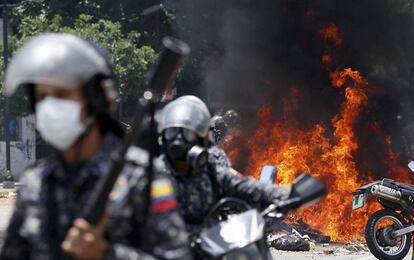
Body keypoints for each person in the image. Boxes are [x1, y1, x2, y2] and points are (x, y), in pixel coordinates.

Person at [0, 33, 191, 260]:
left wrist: (106, 254)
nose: (50, 106)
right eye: (42, 96)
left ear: (94, 99)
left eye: (62, 94)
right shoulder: (35, 181)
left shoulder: (141, 177)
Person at [156, 95, 289, 234]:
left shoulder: (211, 171)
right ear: (162, 138)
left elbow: (247, 186)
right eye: (172, 132)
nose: (178, 140)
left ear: (202, 140)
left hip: (206, 248)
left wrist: (291, 194)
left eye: (188, 134)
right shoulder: (149, 175)